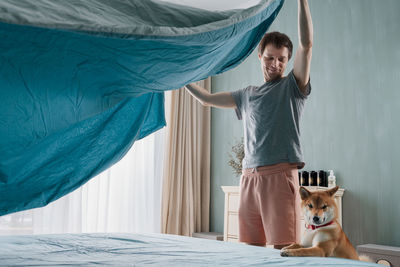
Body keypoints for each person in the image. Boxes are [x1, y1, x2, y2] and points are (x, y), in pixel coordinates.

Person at [185, 0, 313, 249]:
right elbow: (206, 99)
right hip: (248, 178)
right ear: (259, 56)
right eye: (269, 57)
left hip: (279, 176)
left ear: (287, 61)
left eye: (281, 59)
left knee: (284, 249)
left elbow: (307, 46)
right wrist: (180, 78)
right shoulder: (247, 94)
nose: (275, 64)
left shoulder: (292, 87)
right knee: (248, 251)